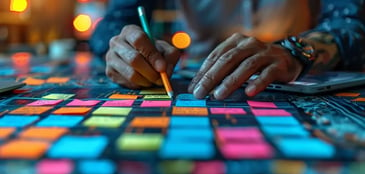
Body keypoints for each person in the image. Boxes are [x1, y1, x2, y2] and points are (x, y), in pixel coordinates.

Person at [90, 0, 365, 100]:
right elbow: (114, 22)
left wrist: (295, 51)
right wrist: (127, 48)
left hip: (297, 77)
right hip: (198, 79)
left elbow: (352, 22)